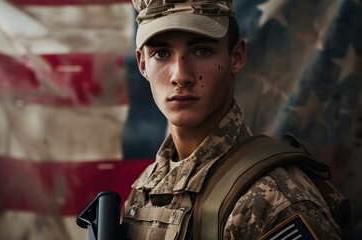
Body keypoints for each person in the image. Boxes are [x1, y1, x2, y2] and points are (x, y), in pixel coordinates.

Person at [121, 0, 350, 239]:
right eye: (161, 53)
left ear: (237, 57)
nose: (180, 76)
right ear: (142, 64)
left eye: (202, 50)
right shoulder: (145, 188)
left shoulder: (274, 199)